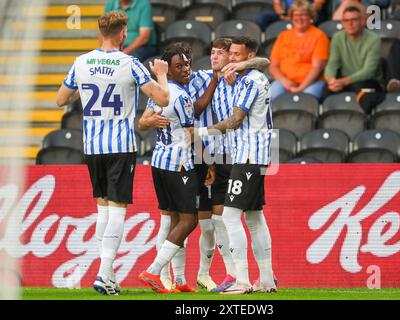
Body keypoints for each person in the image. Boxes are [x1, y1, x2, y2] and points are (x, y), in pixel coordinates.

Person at [55, 10, 170, 296]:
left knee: (103, 209)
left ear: (99, 33)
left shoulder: (80, 62)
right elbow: (163, 98)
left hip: (92, 146)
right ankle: (104, 275)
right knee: (117, 210)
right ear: (122, 34)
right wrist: (162, 76)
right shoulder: (129, 63)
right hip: (119, 145)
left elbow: (60, 99)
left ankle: (107, 274)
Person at [193, 36, 276, 295]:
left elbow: (236, 120)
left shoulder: (250, 79)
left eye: (236, 55)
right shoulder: (235, 76)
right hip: (247, 154)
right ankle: (267, 280)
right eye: (230, 54)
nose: (230, 58)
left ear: (247, 55)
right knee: (254, 217)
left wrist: (201, 133)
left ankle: (242, 280)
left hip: (248, 155)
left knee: (229, 216)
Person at [137, 43, 200, 294]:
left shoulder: (158, 93)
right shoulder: (181, 96)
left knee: (174, 221)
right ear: (169, 72)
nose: (185, 69)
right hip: (179, 163)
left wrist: (149, 121)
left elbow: (143, 122)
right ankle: (153, 271)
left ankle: (179, 280)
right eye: (179, 66)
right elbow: (189, 134)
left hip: (159, 162)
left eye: (187, 64)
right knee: (189, 221)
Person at [323, 6, 384, 113]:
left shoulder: (373, 39)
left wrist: (344, 81)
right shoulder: (338, 37)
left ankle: (365, 124)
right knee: (326, 90)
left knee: (364, 93)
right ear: (342, 23)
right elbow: (332, 64)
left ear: (362, 21)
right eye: (346, 20)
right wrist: (331, 80)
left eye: (354, 20)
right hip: (346, 81)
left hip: (369, 82)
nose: (349, 24)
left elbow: (368, 72)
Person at [269, 0, 330, 100]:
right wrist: (285, 82)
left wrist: (301, 88)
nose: (299, 18)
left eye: (304, 15)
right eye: (296, 15)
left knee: (306, 99)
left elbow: (317, 68)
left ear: (311, 16)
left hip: (311, 83)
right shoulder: (283, 36)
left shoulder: (319, 36)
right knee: (270, 96)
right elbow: (273, 65)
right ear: (291, 17)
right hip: (285, 81)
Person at [256, 0, 326, 31]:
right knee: (263, 18)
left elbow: (318, 3)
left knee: (318, 13)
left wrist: (303, 13)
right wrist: (283, 15)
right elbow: (277, 4)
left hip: (307, 12)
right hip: (288, 13)